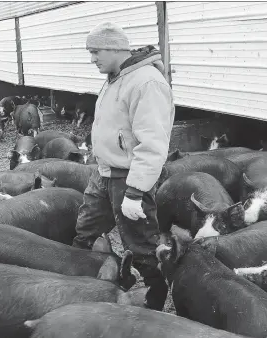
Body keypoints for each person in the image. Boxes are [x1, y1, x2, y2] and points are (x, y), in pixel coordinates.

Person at [72, 22, 175, 311]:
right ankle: (78, 290)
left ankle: (155, 300)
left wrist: (136, 191)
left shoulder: (146, 82)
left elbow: (153, 142)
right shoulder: (115, 77)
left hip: (128, 177)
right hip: (104, 171)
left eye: (95, 52)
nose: (92, 58)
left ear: (116, 48)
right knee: (85, 231)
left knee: (140, 243)